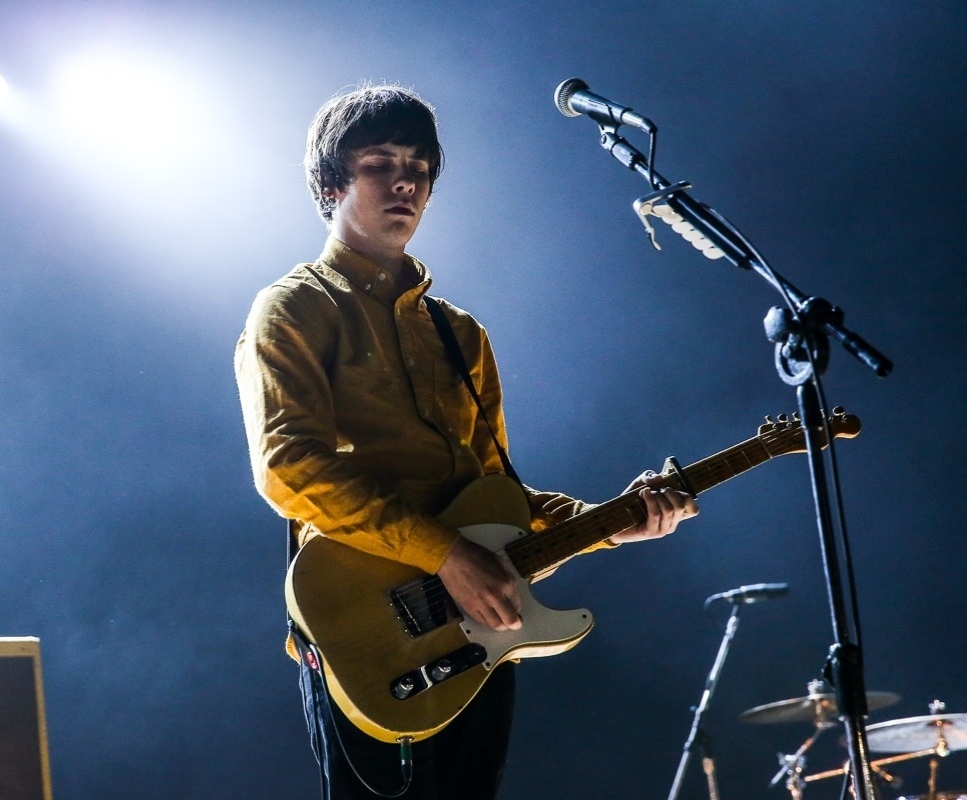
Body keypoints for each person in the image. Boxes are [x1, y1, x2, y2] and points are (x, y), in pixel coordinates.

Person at [234, 83, 698, 800]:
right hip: (368, 637)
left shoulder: (461, 333)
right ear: (330, 183)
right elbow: (290, 469)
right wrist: (445, 555)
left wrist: (613, 524)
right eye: (380, 163)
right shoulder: (295, 307)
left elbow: (498, 498)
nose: (406, 182)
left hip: (478, 632)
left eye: (419, 167)